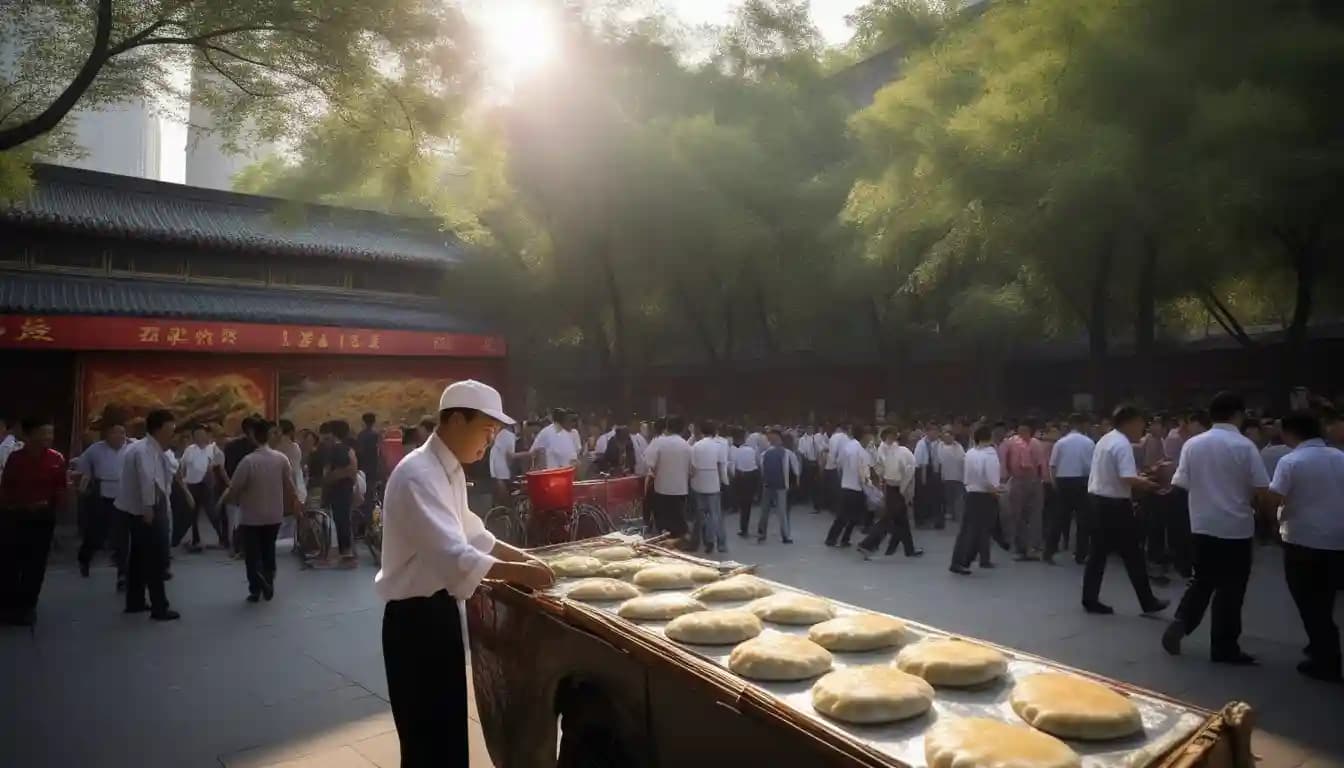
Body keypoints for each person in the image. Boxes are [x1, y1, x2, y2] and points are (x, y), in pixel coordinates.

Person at [374, 380, 555, 766]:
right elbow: (453, 555)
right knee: (428, 741)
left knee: (448, 732)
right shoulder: (418, 474)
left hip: (437, 613)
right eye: (487, 431)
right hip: (415, 622)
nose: (489, 443)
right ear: (456, 420)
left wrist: (526, 560)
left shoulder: (448, 468)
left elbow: (473, 531)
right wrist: (523, 575)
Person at [1162, 392, 1270, 665]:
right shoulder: (1245, 446)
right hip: (1236, 527)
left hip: (1202, 524)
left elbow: (1180, 484)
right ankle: (1224, 646)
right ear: (1238, 414)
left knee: (1202, 580)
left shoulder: (1193, 445)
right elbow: (1261, 488)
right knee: (1231, 589)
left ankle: (1181, 622)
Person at [1265, 410, 1344, 682]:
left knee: (1309, 602)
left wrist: (1272, 525)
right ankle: (1319, 645)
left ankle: (1327, 659)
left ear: (1290, 432)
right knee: (1326, 598)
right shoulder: (1340, 457)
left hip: (1303, 540)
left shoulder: (1291, 461)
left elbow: (1274, 498)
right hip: (1337, 541)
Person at [1081, 405, 1170, 617]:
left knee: (1099, 554)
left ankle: (1090, 598)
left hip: (1098, 500)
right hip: (1114, 505)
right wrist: (1152, 485)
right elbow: (1127, 478)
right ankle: (1147, 601)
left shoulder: (1106, 439)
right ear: (1129, 422)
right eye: (1141, 422)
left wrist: (1143, 478)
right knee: (1132, 553)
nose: (1143, 427)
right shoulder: (1122, 444)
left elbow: (1120, 474)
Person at [218, 419, 299, 603]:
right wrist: (295, 502)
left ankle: (256, 587)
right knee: (268, 549)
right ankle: (269, 579)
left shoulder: (248, 461)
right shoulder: (281, 459)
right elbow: (289, 484)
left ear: (254, 436)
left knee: (252, 554)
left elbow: (235, 487)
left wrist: (226, 501)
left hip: (251, 516)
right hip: (274, 514)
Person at [0, 416, 67, 625]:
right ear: (29, 435)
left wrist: (57, 506)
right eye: (43, 433)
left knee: (36, 563)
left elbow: (60, 488)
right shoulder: (16, 458)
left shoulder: (56, 458)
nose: (48, 437)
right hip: (16, 516)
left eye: (50, 433)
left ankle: (28, 605)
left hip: (43, 518)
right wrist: (17, 506)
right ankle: (8, 605)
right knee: (11, 561)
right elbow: (7, 488)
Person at [115, 409, 179, 621]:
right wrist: (149, 509)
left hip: (138, 508)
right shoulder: (144, 451)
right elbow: (147, 480)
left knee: (139, 557)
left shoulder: (148, 448)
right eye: (170, 429)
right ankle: (159, 607)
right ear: (159, 429)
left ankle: (135, 601)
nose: (173, 434)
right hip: (146, 509)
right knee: (155, 559)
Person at [75, 421, 133, 584]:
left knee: (123, 536)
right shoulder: (95, 449)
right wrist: (84, 485)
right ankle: (84, 558)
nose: (120, 436)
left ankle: (123, 573)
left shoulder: (131, 447)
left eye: (122, 432)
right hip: (102, 494)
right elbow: (82, 466)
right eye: (115, 432)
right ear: (107, 435)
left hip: (124, 495)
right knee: (97, 534)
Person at [860, 426, 920, 559]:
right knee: (888, 520)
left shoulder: (893, 450)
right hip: (894, 488)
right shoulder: (885, 450)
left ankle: (909, 549)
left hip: (895, 487)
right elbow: (886, 469)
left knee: (902, 520)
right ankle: (867, 544)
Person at [1045, 414, 1095, 565]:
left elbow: (1052, 465)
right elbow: (1092, 466)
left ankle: (1049, 551)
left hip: (1063, 481)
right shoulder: (1089, 442)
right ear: (1083, 425)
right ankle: (1081, 554)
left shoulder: (1061, 442)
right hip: (1081, 481)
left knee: (1058, 519)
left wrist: (1054, 483)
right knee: (1083, 520)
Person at [950, 425, 1000, 575]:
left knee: (971, 529)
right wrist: (995, 491)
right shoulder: (989, 455)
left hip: (972, 493)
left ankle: (964, 560)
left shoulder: (970, 453)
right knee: (976, 530)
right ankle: (962, 561)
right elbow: (987, 478)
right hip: (985, 494)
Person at [1002, 420, 1047, 560]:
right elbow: (1004, 461)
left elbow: (1042, 464)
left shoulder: (1037, 444)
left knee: (1035, 515)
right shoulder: (1010, 443)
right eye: (1020, 431)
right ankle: (1020, 546)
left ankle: (1034, 546)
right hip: (1017, 480)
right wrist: (1005, 477)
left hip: (1034, 481)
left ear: (1031, 432)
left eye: (1025, 431)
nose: (1022, 434)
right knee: (1016, 515)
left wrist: (1044, 480)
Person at [645, 416, 693, 542]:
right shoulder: (687, 446)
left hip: (662, 489)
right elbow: (692, 470)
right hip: (680, 490)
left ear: (666, 427)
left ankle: (664, 544)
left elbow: (650, 464)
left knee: (663, 523)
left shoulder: (659, 443)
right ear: (682, 429)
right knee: (678, 521)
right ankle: (678, 543)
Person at [180, 424, 227, 551]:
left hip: (206, 484)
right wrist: (183, 481)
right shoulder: (189, 449)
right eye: (196, 435)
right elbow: (183, 467)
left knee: (211, 511)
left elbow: (220, 467)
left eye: (201, 434)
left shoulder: (213, 449)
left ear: (207, 435)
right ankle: (196, 539)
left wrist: (228, 482)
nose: (199, 437)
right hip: (191, 484)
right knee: (192, 513)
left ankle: (223, 538)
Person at [826, 424, 873, 548]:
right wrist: (869, 487)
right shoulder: (861, 452)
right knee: (850, 516)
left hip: (846, 484)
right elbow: (862, 473)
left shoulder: (848, 447)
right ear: (864, 436)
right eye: (869, 435)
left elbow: (839, 463)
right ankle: (838, 539)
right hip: (856, 487)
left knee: (847, 516)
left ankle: (837, 538)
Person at [689, 421, 729, 554]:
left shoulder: (696, 446)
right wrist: (725, 482)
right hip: (713, 482)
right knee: (715, 515)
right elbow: (722, 467)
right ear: (715, 431)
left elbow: (693, 468)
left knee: (702, 515)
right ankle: (721, 543)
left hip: (699, 482)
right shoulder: (719, 446)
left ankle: (708, 542)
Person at [324, 420, 360, 567]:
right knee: (345, 519)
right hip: (347, 488)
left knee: (341, 520)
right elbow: (353, 470)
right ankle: (348, 551)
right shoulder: (349, 449)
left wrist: (328, 479)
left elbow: (338, 471)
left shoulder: (336, 450)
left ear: (332, 433)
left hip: (338, 490)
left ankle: (346, 554)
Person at [758, 428, 800, 544]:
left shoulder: (768, 453)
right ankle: (784, 535)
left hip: (773, 485)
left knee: (769, 511)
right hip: (777, 485)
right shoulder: (783, 453)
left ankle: (764, 533)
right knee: (778, 511)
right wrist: (796, 481)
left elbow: (762, 469)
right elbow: (795, 469)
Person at [729, 429, 760, 537]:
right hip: (752, 477)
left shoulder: (734, 451)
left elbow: (733, 467)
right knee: (747, 505)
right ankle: (745, 527)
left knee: (743, 505)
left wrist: (733, 478)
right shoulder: (751, 450)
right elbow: (757, 463)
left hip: (741, 478)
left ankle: (743, 528)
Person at [936, 426, 967, 524]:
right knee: (947, 497)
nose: (949, 438)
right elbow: (938, 462)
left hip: (958, 477)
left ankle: (957, 515)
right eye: (946, 437)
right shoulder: (939, 446)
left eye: (950, 437)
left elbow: (963, 460)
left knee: (957, 497)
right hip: (945, 477)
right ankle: (949, 512)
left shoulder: (959, 447)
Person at [356, 412, 383, 509]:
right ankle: (369, 514)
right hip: (373, 464)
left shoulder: (361, 435)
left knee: (364, 489)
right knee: (371, 490)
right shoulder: (375, 435)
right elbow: (379, 451)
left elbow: (359, 450)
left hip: (363, 465)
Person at [823, 424, 848, 514]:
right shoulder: (847, 438)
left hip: (833, 466)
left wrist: (835, 463)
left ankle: (835, 508)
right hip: (845, 466)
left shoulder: (834, 437)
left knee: (834, 489)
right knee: (841, 489)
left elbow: (833, 453)